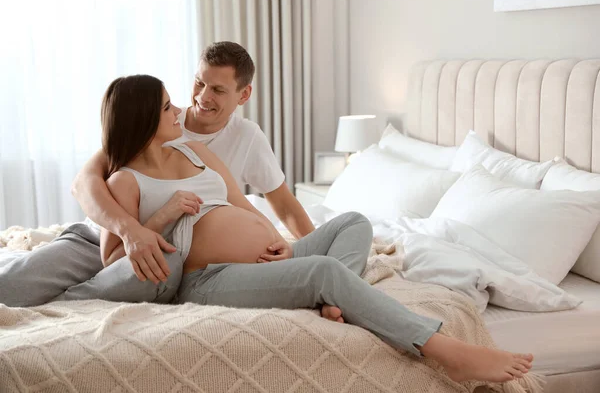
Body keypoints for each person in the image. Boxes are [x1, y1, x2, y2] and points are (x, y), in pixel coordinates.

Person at [57, 74, 532, 385]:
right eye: (166, 107)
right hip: (208, 278)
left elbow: (247, 207)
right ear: (143, 120)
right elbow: (114, 267)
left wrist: (281, 244)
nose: (180, 108)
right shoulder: (123, 179)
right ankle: (442, 347)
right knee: (324, 269)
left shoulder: (194, 153)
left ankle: (332, 299)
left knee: (352, 221)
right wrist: (162, 218)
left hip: (269, 258)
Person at [0, 42, 321, 311]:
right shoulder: (155, 123)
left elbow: (284, 205)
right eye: (199, 82)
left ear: (243, 94)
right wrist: (130, 232)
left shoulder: (246, 137)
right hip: (105, 241)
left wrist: (308, 252)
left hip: (173, 260)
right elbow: (83, 184)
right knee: (14, 287)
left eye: (218, 90)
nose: (202, 96)